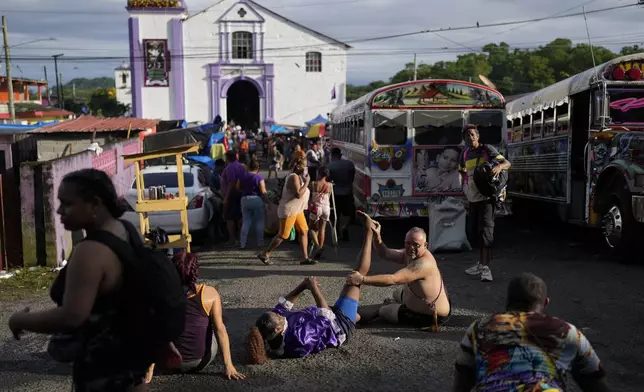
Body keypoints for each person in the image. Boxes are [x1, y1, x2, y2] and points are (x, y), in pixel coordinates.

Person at [8, 169, 151, 391]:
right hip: (132, 369)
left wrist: (19, 320)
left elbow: (72, 316)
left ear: (94, 204)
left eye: (67, 203)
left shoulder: (90, 252)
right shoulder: (128, 230)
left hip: (102, 374)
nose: (59, 210)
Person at [246, 211, 376, 363]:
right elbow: (327, 318)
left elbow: (282, 306)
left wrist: (303, 285)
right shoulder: (299, 339)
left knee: (361, 314)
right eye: (278, 317)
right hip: (338, 326)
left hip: (327, 318)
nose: (279, 314)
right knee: (356, 278)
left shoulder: (272, 329)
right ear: (278, 329)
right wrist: (314, 288)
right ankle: (369, 232)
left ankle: (383, 311)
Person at [452, 273, 610, 392]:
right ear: (546, 302)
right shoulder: (568, 332)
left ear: (508, 301)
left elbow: (462, 380)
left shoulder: (480, 328)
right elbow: (595, 382)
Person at [151, 252, 244, 379]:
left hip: (166, 363)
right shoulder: (209, 294)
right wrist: (229, 366)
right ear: (195, 271)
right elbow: (220, 330)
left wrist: (149, 368)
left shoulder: (161, 292)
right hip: (198, 362)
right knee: (219, 323)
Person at [350, 225, 451, 330]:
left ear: (425, 245)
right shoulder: (410, 253)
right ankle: (399, 305)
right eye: (408, 243)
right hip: (424, 299)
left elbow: (394, 279)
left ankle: (378, 313)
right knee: (396, 293)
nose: (411, 248)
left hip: (432, 315)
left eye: (416, 245)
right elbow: (386, 253)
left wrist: (362, 279)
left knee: (384, 310)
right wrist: (377, 237)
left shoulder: (423, 264)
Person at [459, 124, 511, 282]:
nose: (470, 138)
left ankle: (486, 269)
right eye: (467, 135)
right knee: (476, 234)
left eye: (472, 135)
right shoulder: (465, 153)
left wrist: (499, 167)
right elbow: (462, 170)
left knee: (486, 233)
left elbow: (507, 163)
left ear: (478, 136)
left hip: (487, 199)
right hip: (473, 199)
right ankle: (481, 264)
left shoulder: (487, 150)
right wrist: (466, 188)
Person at [257, 157, 313, 265]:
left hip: (298, 210)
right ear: (298, 167)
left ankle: (305, 257)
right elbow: (298, 194)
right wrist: (307, 183)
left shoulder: (300, 177)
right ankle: (265, 253)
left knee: (303, 231)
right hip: (289, 210)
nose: (306, 169)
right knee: (283, 235)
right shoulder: (293, 177)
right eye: (305, 167)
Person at [237, 158, 268, 249]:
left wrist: (244, 190)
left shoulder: (242, 176)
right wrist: (268, 202)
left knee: (246, 221)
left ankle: (243, 243)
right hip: (256, 199)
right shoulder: (259, 177)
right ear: (258, 168)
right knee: (259, 221)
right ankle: (260, 242)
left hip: (245, 199)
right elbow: (263, 191)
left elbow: (238, 187)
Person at [328, 148, 355, 241]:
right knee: (348, 213)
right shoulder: (349, 164)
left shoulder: (330, 166)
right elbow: (352, 178)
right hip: (348, 192)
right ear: (340, 155)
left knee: (336, 214)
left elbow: (328, 180)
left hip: (335, 193)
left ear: (332, 155)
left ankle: (337, 231)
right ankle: (345, 227)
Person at [308, 166, 333, 260]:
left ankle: (318, 247)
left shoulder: (314, 183)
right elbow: (329, 197)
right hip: (326, 208)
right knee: (322, 230)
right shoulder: (330, 185)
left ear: (319, 173)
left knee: (311, 229)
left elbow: (309, 196)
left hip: (316, 208)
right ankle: (320, 251)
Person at [222, 150, 246, 247]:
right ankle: (240, 238)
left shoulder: (230, 167)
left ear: (227, 158)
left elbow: (231, 183)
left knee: (229, 218)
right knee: (239, 216)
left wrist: (226, 197)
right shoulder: (241, 166)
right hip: (240, 193)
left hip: (232, 194)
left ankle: (232, 239)